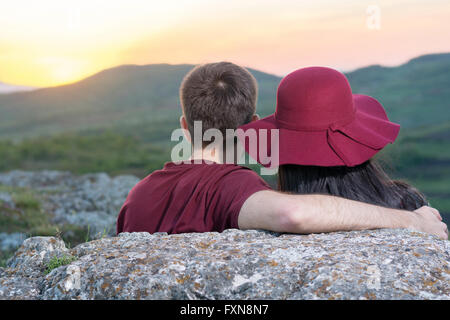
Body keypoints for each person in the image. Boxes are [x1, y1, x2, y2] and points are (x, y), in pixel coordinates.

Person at [116, 62, 447, 239]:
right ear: (251, 126)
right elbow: (293, 214)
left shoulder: (137, 195)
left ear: (184, 127)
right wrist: (413, 222)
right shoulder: (242, 190)